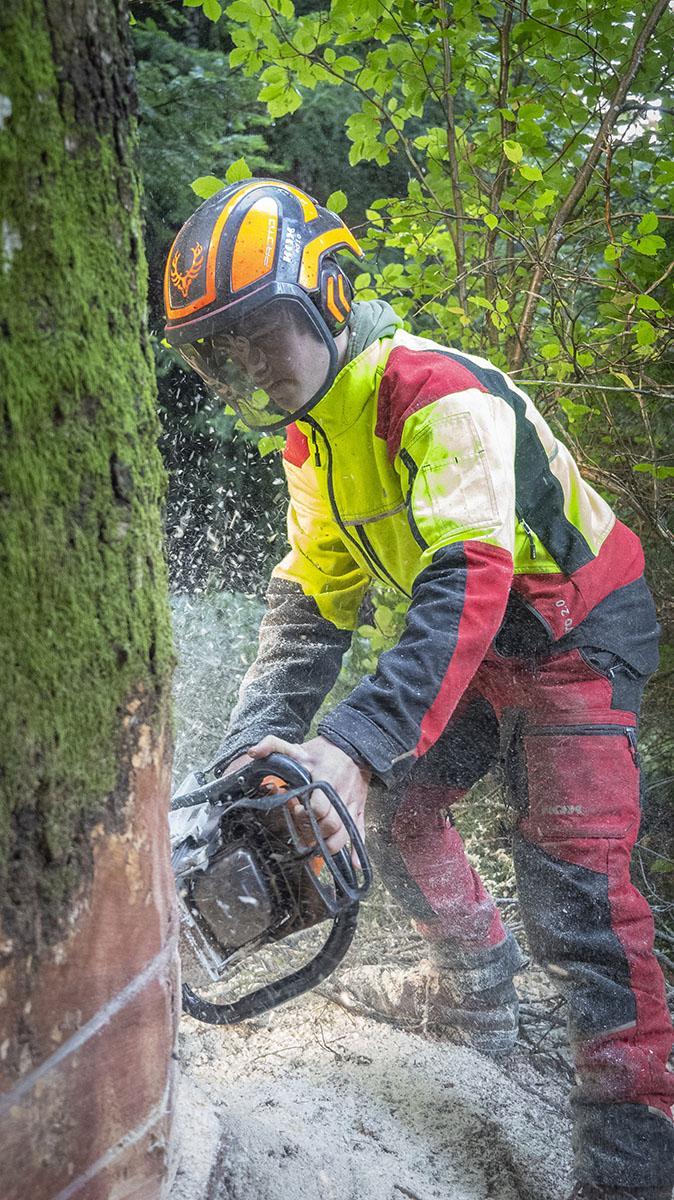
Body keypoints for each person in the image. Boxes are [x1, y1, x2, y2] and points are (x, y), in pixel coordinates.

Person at [163, 178, 674, 1200]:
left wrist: (351, 746)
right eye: (227, 347)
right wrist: (243, 760)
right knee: (392, 818)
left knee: (574, 890)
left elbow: (464, 580)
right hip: (487, 645)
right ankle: (476, 995)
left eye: (266, 331)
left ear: (330, 298)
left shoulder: (432, 390)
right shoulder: (313, 443)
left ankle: (635, 1158)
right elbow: (312, 606)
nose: (252, 364)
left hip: (575, 631)